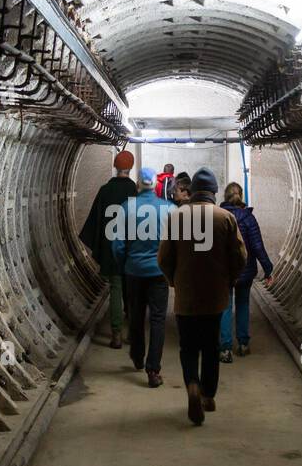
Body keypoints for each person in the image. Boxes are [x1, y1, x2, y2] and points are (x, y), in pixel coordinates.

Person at [158, 167, 247, 426]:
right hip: (215, 296)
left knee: (188, 347)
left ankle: (192, 386)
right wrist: (229, 280)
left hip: (186, 296)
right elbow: (240, 256)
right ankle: (208, 394)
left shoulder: (177, 217)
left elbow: (163, 258)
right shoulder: (225, 217)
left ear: (194, 191)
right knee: (211, 346)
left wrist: (174, 281)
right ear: (214, 192)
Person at [111, 167, 175, 387]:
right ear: (155, 186)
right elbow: (176, 245)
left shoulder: (125, 208)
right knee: (158, 321)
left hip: (134, 272)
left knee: (137, 317)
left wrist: (125, 265)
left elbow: (117, 245)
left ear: (138, 184)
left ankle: (137, 356)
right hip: (159, 274)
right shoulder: (169, 209)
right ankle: (153, 370)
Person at [78, 149, 136, 348]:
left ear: (115, 167)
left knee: (116, 289)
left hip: (112, 249)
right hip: (131, 249)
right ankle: (133, 334)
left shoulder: (105, 190)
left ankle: (116, 334)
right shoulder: (135, 191)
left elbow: (95, 221)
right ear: (131, 167)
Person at [218, 182, 275, 363]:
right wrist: (268, 270)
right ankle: (243, 344)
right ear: (241, 196)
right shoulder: (249, 219)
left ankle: (225, 348)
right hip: (245, 270)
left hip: (225, 271)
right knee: (243, 305)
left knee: (225, 307)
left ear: (225, 197)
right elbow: (258, 247)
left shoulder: (219, 217)